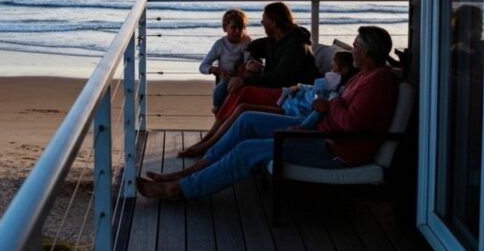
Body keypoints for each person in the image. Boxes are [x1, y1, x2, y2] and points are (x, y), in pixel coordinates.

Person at [138, 26, 398, 200]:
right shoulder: (366, 74)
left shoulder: (377, 83)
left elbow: (350, 123)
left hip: (335, 149)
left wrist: (332, 103)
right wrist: (328, 104)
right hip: (317, 130)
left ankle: (179, 189)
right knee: (247, 119)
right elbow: (337, 103)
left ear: (365, 52)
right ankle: (192, 170)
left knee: (247, 149)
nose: (352, 49)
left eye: (355, 46)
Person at [179, 2, 318, 157]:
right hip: (280, 90)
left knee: (242, 91)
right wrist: (250, 61)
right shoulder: (274, 39)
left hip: (291, 94)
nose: (261, 22)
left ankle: (209, 143)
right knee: (240, 91)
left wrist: (244, 79)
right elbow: (252, 46)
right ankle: (208, 140)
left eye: (264, 19)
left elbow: (280, 78)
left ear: (273, 21)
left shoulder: (295, 45)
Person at [280, 50, 356, 129]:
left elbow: (319, 108)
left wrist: (303, 127)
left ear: (344, 69)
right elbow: (314, 89)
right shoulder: (332, 85)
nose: (331, 69)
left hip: (301, 111)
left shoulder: (333, 91)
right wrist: (300, 86)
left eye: (333, 67)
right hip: (299, 103)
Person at [198, 8, 251, 114]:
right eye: (233, 27)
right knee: (223, 86)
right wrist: (217, 70)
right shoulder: (220, 44)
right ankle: (217, 105)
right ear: (225, 28)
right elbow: (203, 66)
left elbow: (248, 61)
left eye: (241, 28)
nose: (237, 31)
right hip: (224, 78)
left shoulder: (246, 41)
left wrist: (242, 69)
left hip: (240, 78)